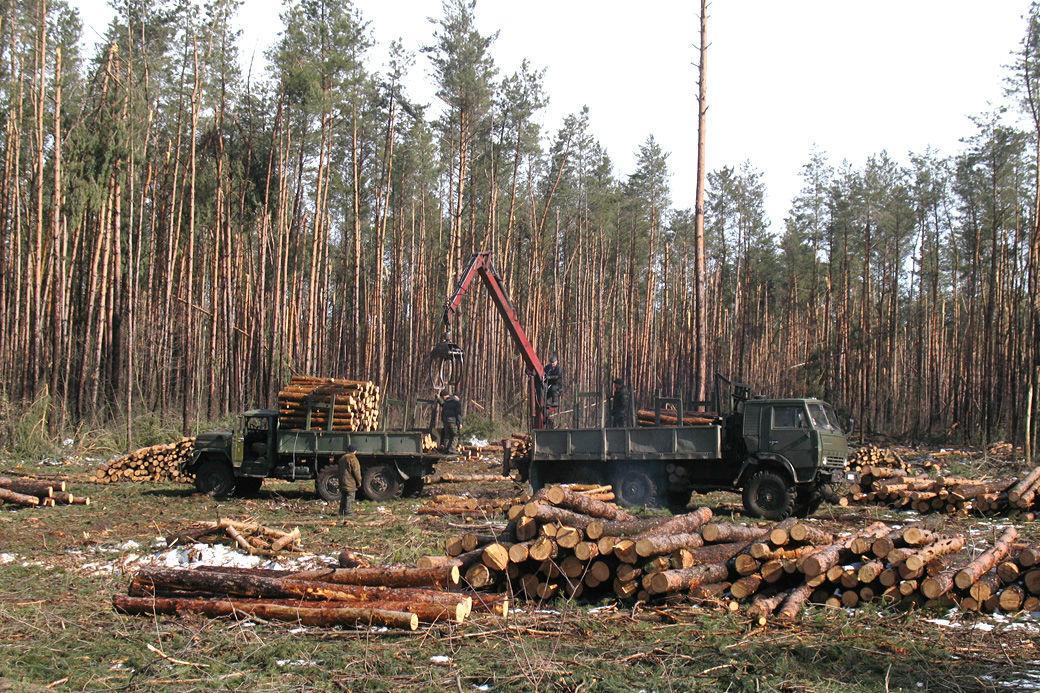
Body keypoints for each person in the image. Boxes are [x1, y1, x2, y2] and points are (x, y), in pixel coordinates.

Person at [337, 445, 362, 516]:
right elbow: (356, 471)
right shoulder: (352, 458)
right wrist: (359, 481)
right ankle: (348, 512)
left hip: (342, 480)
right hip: (350, 481)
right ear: (355, 451)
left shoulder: (342, 458)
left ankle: (341, 511)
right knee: (350, 496)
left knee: (344, 496)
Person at [439, 390, 463, 454]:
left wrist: (438, 399)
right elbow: (458, 414)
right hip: (453, 421)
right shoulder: (456, 402)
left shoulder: (446, 402)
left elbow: (443, 407)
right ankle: (452, 449)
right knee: (455, 435)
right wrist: (460, 423)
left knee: (447, 436)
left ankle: (446, 449)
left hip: (446, 422)